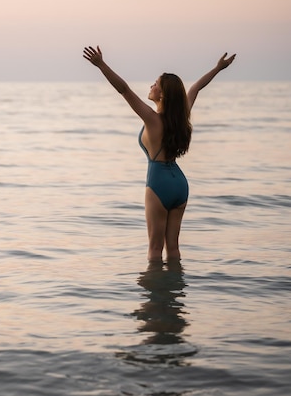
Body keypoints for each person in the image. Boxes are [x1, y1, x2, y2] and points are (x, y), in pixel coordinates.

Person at [83, 46, 235, 262]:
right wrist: (218, 68)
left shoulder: (152, 120)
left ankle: (156, 295)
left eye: (156, 84)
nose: (151, 85)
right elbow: (196, 88)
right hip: (180, 183)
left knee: (155, 249)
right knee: (172, 248)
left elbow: (124, 89)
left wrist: (101, 65)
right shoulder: (181, 117)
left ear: (162, 94)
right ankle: (176, 293)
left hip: (159, 183)